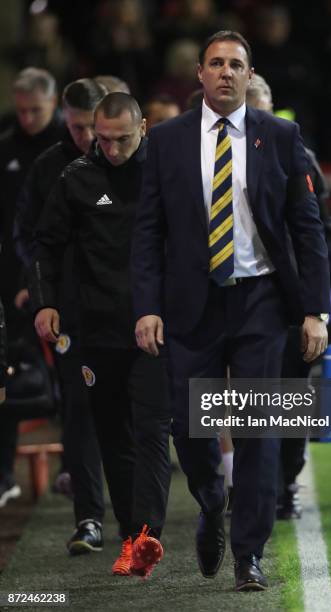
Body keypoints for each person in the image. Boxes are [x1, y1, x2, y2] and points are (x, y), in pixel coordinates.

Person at [131, 31, 330, 592]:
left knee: (258, 429)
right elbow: (147, 231)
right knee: (190, 429)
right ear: (198, 73)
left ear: (249, 74)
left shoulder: (281, 136)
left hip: (261, 302)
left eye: (235, 65)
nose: (224, 72)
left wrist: (314, 310)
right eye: (215, 63)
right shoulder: (165, 140)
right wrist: (146, 307)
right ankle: (211, 499)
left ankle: (249, 553)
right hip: (189, 303)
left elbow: (307, 230)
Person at [29, 93, 170, 578]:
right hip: (98, 329)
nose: (109, 149)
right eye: (101, 139)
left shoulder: (164, 173)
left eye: (121, 140)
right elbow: (45, 244)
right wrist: (46, 300)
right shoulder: (76, 179)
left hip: (153, 326)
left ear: (144, 128)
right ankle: (134, 539)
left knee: (152, 430)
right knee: (115, 437)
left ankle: (149, 533)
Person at [246, 73, 331, 520]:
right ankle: (252, 480)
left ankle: (284, 482)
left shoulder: (299, 158)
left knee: (291, 396)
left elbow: (324, 232)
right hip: (238, 296)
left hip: (292, 298)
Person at [15, 78, 108, 554]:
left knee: (136, 416)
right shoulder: (48, 168)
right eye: (76, 127)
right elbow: (30, 238)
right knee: (79, 409)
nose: (86, 137)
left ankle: (139, 518)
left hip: (125, 311)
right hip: (72, 312)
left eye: (92, 126)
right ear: (64, 119)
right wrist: (40, 293)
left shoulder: (131, 164)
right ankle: (89, 517)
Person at [0, 67, 64, 507]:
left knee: (73, 380)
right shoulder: (5, 148)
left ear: (54, 103)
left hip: (61, 281)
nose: (26, 118)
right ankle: (4, 474)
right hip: (12, 281)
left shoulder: (70, 146)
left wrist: (40, 285)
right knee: (5, 379)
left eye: (35, 110)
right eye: (21, 110)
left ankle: (77, 471)